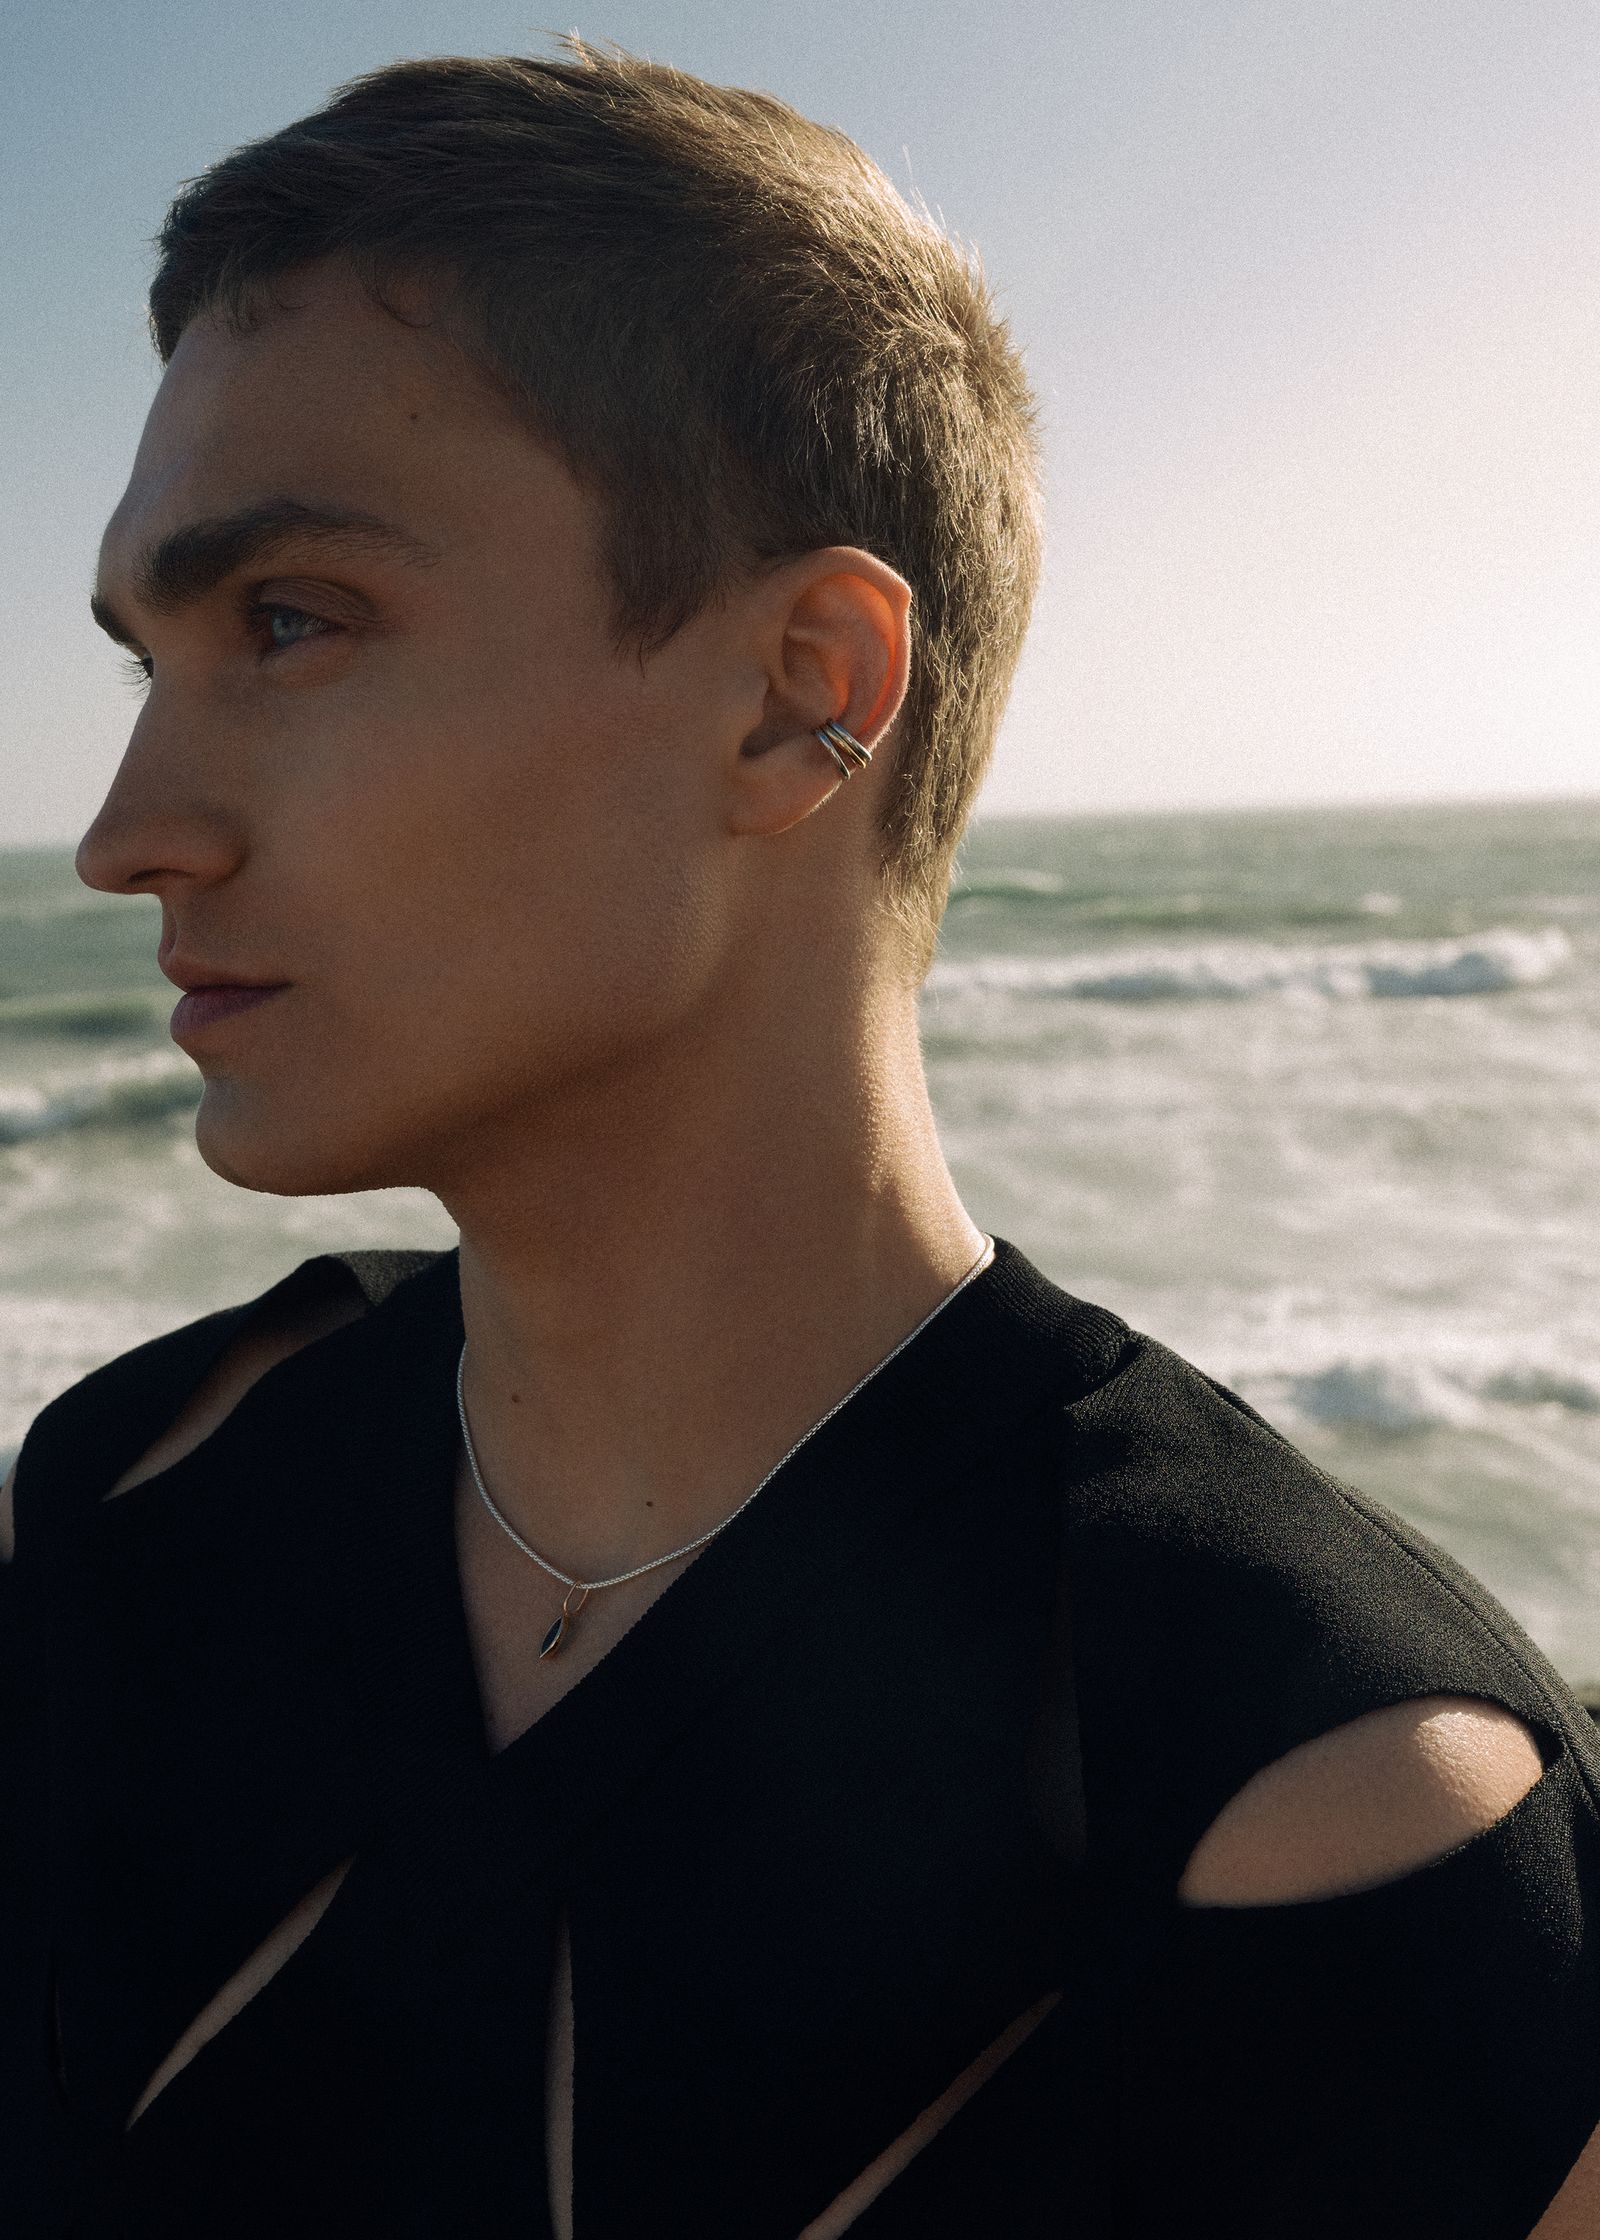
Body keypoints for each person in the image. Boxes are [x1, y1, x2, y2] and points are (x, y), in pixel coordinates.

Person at [2, 45, 1597, 2238]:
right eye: (142, 661)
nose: (124, 833)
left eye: (288, 622)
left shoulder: (1299, 1787)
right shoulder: (144, 1490)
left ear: (796, 690)